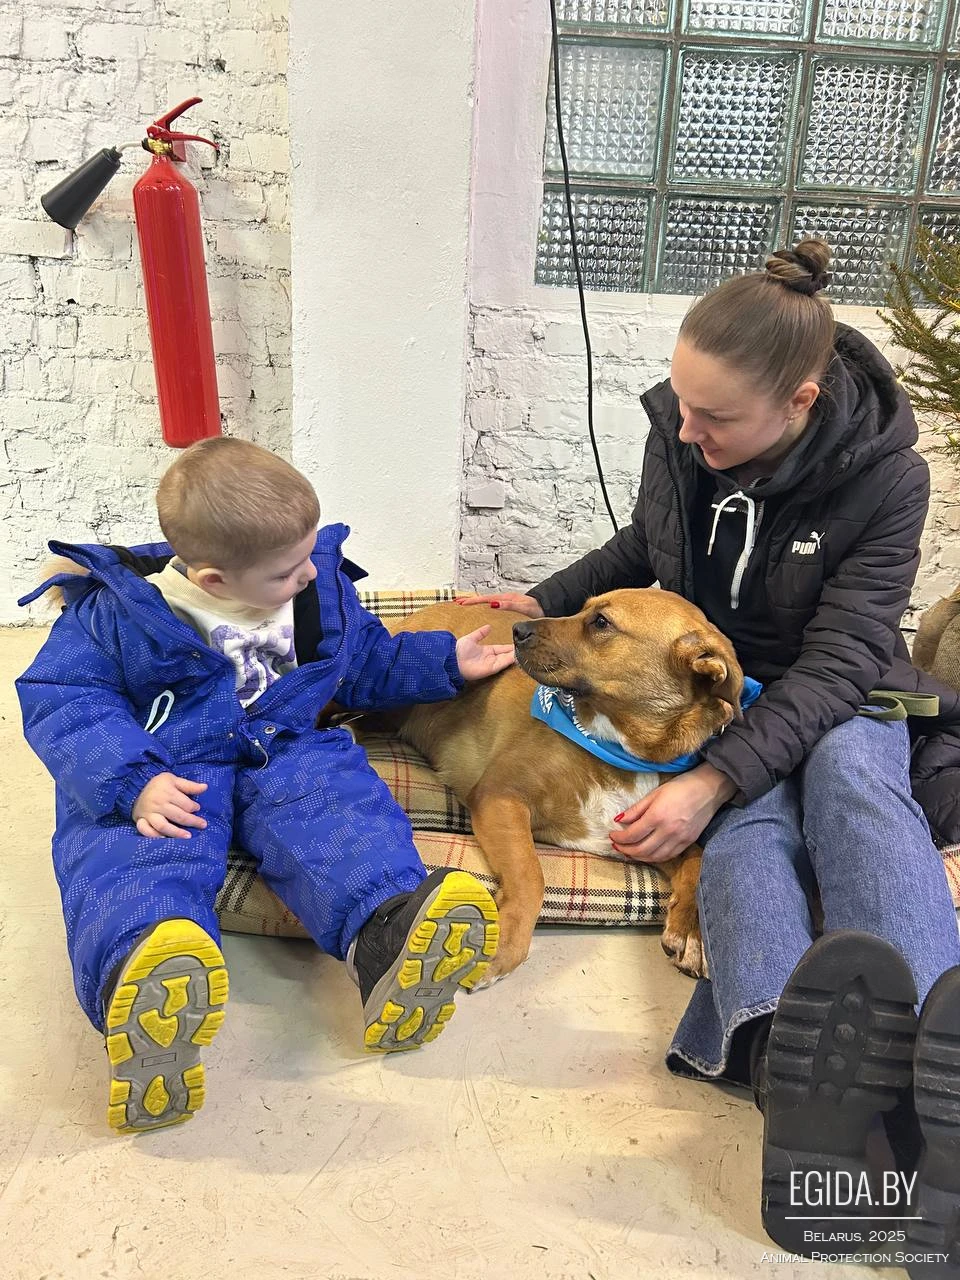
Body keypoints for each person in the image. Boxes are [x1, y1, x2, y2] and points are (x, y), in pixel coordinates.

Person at [459, 239, 960, 1267]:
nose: (687, 430)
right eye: (681, 406)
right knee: (745, 840)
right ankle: (790, 1073)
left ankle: (932, 1086)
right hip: (713, 704)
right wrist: (541, 602)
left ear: (802, 401)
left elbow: (843, 659)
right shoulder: (680, 435)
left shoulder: (886, 478)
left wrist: (711, 778)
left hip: (838, 686)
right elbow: (645, 551)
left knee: (853, 789)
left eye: (714, 418)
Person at [17, 438, 514, 1135]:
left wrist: (444, 663)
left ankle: (388, 930)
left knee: (338, 809)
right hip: (167, 764)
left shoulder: (316, 594)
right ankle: (146, 966)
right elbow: (65, 700)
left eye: (309, 555)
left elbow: (364, 660)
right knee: (130, 852)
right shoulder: (117, 619)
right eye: (287, 571)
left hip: (281, 744)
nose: (309, 574)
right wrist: (132, 781)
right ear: (213, 580)